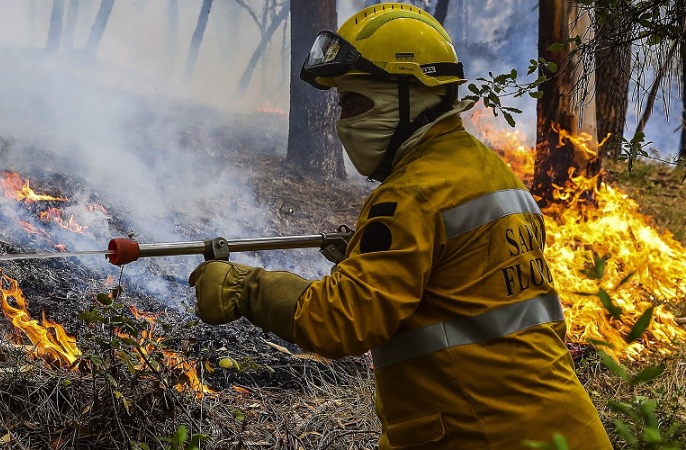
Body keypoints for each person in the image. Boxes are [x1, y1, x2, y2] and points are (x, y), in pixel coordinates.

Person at [189, 4, 612, 449]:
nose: (343, 122)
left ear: (411, 96)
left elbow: (340, 321)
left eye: (355, 103)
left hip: (489, 435)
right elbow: (464, 287)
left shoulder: (412, 195)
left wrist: (243, 288)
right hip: (565, 429)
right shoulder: (491, 174)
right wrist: (374, 258)